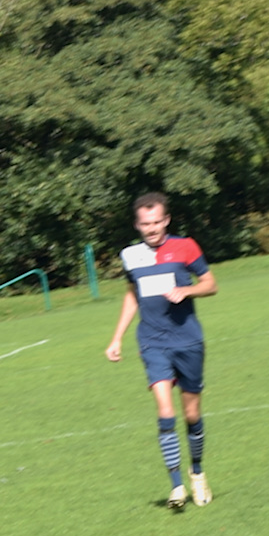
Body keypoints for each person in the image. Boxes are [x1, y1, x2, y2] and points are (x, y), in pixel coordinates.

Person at [105, 191, 219, 510]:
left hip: (188, 341)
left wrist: (187, 290)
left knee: (192, 414)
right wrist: (116, 338)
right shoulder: (130, 255)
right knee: (165, 411)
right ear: (137, 225)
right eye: (145, 224)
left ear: (166, 220)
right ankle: (176, 487)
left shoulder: (186, 246)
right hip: (152, 341)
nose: (152, 228)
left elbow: (211, 284)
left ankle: (196, 472)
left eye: (157, 222)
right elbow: (132, 295)